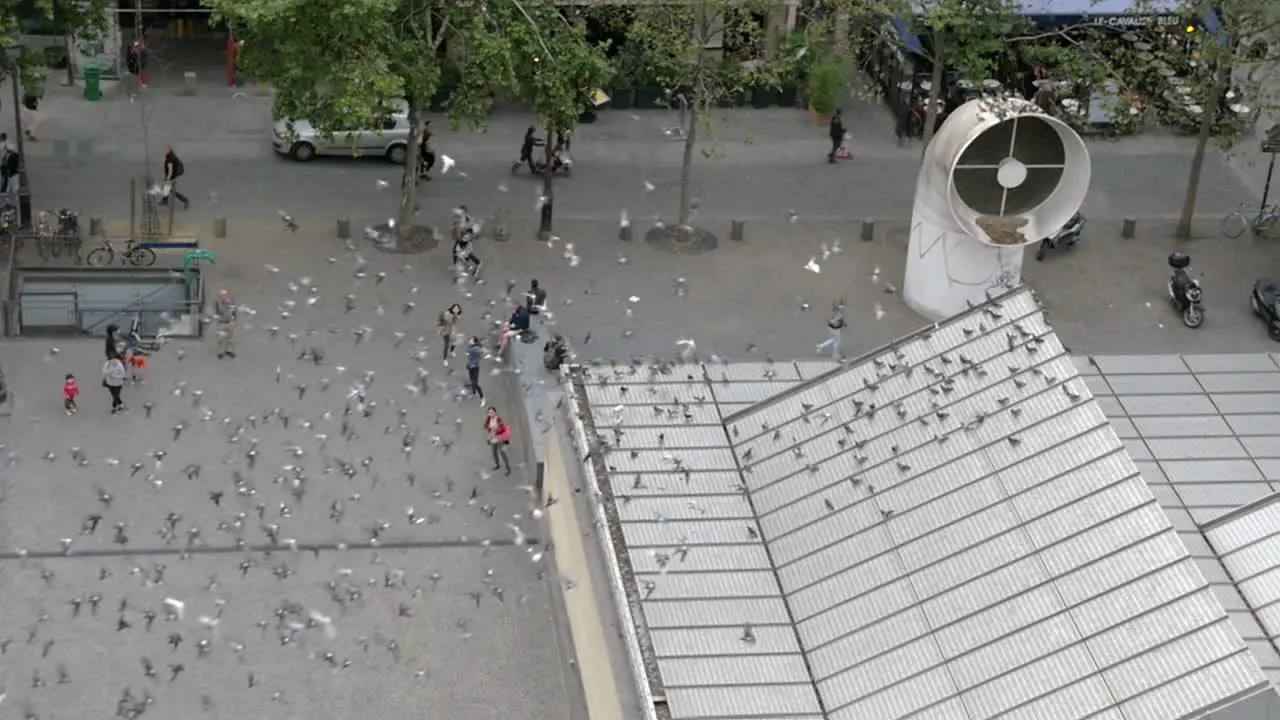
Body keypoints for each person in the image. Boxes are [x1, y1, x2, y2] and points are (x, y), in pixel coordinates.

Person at [483, 406, 512, 476]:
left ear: (495, 412)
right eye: (489, 412)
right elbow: (485, 426)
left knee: (502, 453)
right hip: (493, 438)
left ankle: (508, 468)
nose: (490, 414)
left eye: (492, 412)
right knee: (494, 452)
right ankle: (497, 464)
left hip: (500, 438)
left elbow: (502, 428)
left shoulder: (498, 419)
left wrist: (496, 431)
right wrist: (490, 427)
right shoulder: (489, 419)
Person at [161, 145, 190, 209]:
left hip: (171, 175)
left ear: (169, 150)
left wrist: (168, 178)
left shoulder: (170, 158)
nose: (165, 151)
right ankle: (165, 200)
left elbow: (170, 169)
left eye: (166, 149)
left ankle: (185, 200)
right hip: (173, 175)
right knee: (169, 190)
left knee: (168, 188)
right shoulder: (171, 156)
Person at [214, 289, 237, 358]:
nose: (224, 297)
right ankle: (220, 352)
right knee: (220, 338)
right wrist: (217, 318)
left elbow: (234, 311)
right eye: (222, 296)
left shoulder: (231, 302)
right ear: (220, 296)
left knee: (230, 337)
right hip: (221, 323)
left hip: (230, 322)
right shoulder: (217, 303)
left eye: (225, 295)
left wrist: (234, 320)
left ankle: (229, 350)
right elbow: (215, 312)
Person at [465, 336, 485, 403]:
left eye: (471, 340)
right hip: (471, 366)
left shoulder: (476, 348)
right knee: (472, 380)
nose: (469, 340)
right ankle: (473, 393)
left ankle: (482, 398)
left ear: (474, 341)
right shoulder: (471, 347)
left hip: (475, 367)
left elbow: (481, 353)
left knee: (475, 384)